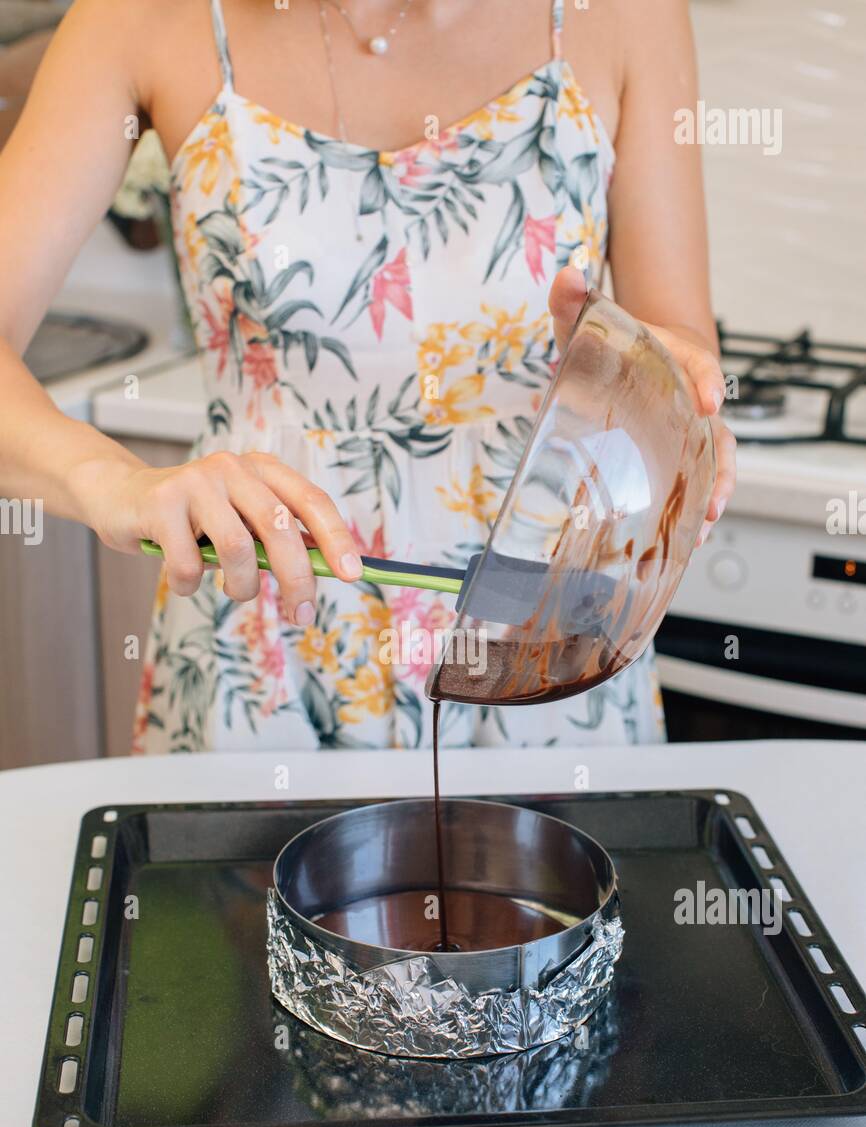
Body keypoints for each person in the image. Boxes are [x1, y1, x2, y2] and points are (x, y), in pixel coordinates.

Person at [0, 0, 735, 751]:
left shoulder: (626, 15)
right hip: (265, 639)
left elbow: (676, 345)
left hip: (543, 643)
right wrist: (117, 483)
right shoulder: (137, 21)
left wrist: (647, 382)